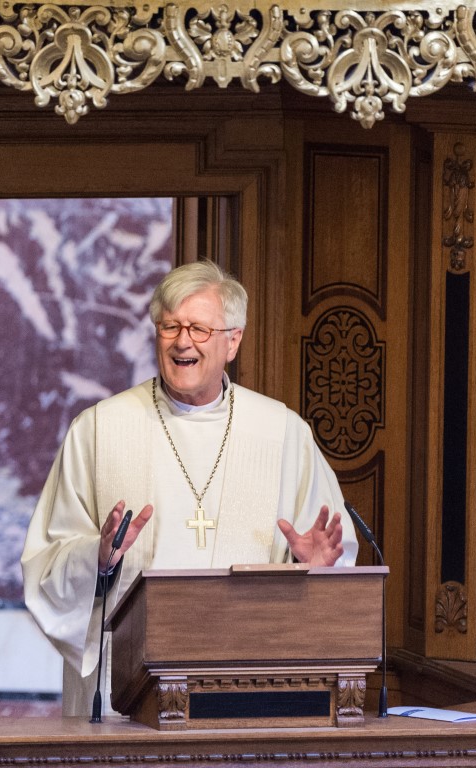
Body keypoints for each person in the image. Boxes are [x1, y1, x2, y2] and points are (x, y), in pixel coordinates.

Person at [21, 259, 358, 716]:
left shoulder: (282, 434)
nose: (183, 341)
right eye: (170, 326)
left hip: (248, 684)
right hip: (129, 690)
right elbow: (45, 563)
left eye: (199, 329)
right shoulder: (99, 429)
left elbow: (336, 571)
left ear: (232, 340)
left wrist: (312, 571)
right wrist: (95, 560)